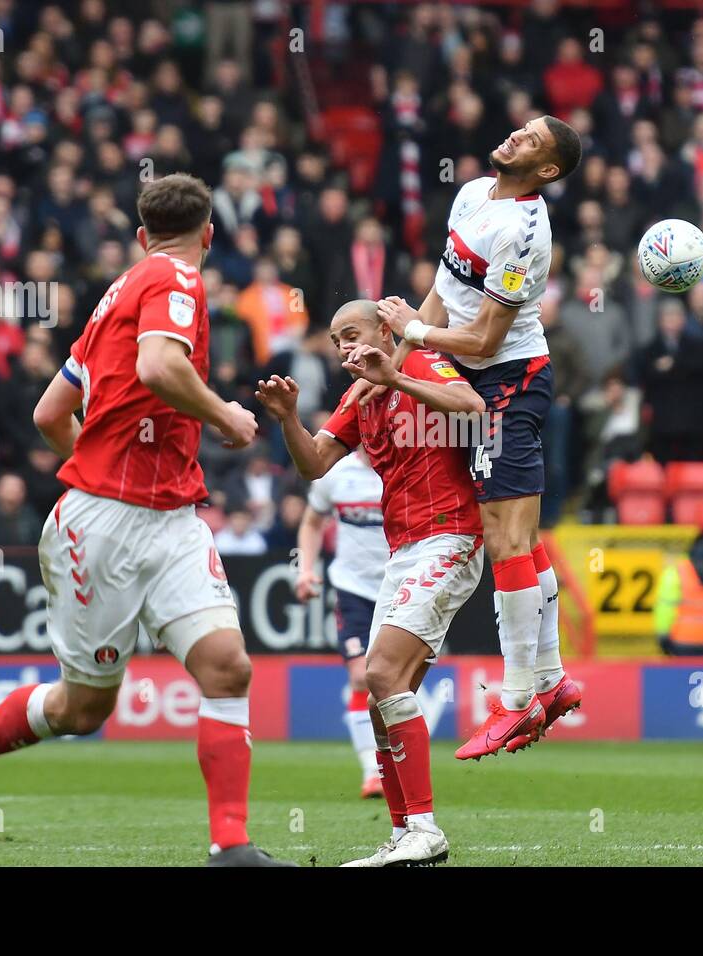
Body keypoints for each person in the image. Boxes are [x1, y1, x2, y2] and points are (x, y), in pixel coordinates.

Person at [0, 174, 284, 867]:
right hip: (104, 526)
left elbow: (48, 415)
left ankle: (231, 847)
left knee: (228, 667)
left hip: (173, 518)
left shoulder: (114, 297)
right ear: (209, 234)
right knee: (83, 711)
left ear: (143, 235)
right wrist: (227, 415)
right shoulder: (177, 278)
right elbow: (158, 366)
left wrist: (99, 454)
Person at [366, 116, 585, 759]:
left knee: (504, 539)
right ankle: (550, 679)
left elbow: (485, 339)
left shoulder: (523, 233)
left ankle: (517, 701)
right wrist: (403, 356)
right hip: (475, 379)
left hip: (508, 383)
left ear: (547, 171)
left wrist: (415, 333)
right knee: (521, 537)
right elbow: (440, 296)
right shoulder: (472, 193)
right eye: (522, 128)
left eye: (533, 141)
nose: (516, 136)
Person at [257, 299, 488, 867]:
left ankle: (425, 827)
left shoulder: (426, 362)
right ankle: (406, 832)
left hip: (451, 536)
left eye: (353, 334)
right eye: (336, 341)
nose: (344, 348)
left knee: (380, 673)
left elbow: (475, 408)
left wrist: (401, 376)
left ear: (387, 331)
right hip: (403, 551)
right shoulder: (359, 397)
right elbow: (314, 463)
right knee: (382, 698)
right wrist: (289, 416)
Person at [295, 446, 386, 798]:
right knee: (361, 676)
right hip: (354, 589)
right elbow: (312, 522)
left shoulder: (404, 466)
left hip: (401, 588)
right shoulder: (335, 473)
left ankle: (397, 768)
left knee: (395, 682)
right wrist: (304, 570)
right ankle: (371, 772)